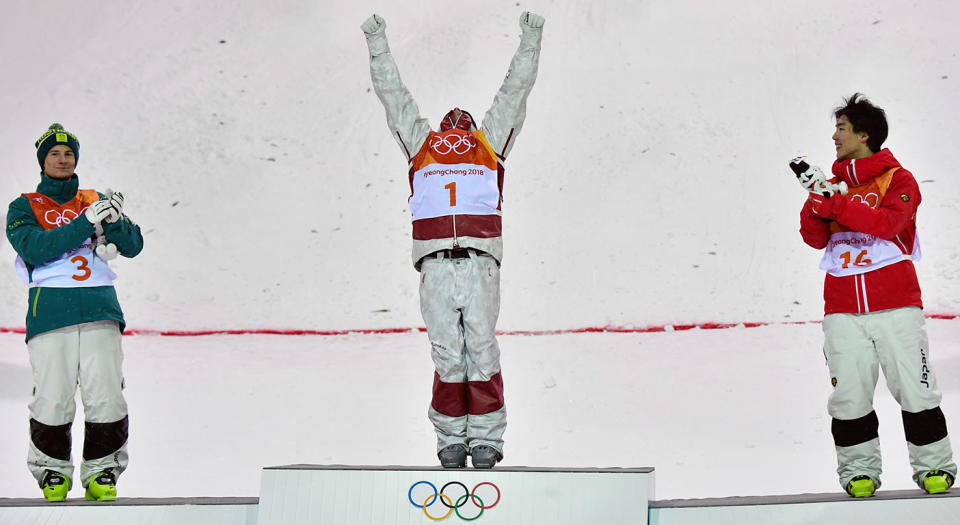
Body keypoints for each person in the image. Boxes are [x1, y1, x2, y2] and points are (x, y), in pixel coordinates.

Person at [361, 11, 543, 469]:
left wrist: (531, 38)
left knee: (480, 347)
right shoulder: (423, 145)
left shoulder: (488, 143)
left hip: (477, 261)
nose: (457, 127)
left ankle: (485, 437)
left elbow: (513, 94)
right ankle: (450, 439)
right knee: (448, 353)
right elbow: (394, 97)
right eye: (453, 125)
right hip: (438, 264)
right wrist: (378, 43)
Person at [797, 94, 956, 497]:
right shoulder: (831, 185)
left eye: (842, 128)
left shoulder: (899, 180)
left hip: (897, 307)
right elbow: (814, 238)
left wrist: (840, 204)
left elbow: (887, 224)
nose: (834, 136)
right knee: (848, 395)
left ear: (864, 135)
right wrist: (817, 203)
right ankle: (858, 473)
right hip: (842, 310)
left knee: (916, 389)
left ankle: (935, 468)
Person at [6, 123, 143, 501]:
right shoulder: (24, 206)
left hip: (99, 307)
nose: (63, 159)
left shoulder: (94, 198)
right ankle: (52, 471)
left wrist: (116, 223)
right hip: (50, 311)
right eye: (55, 154)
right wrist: (85, 222)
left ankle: (103, 472)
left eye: (68, 154)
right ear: (42, 161)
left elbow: (133, 246)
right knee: (53, 395)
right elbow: (36, 247)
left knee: (106, 395)